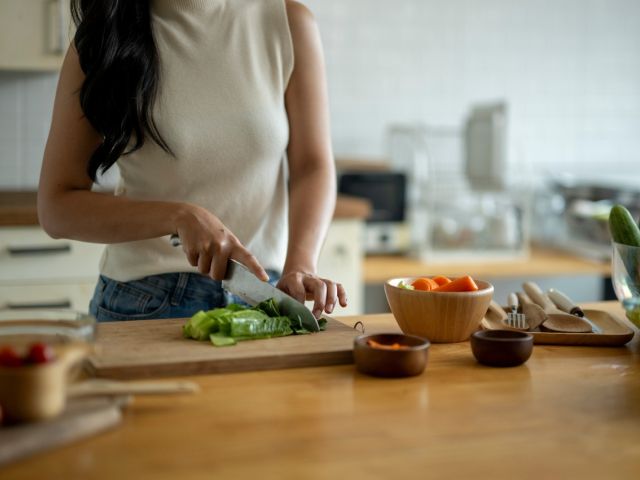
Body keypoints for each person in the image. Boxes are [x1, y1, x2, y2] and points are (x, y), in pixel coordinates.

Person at [37, 0, 347, 322]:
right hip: (143, 301)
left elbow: (312, 166)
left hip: (262, 296)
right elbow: (56, 208)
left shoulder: (287, 22)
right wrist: (179, 215)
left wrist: (301, 265)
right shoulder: (103, 38)